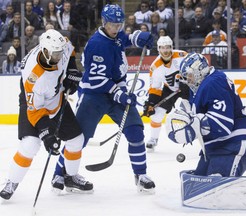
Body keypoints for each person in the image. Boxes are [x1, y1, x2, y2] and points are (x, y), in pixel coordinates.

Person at [52, 4, 156, 194]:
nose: (116, 29)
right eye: (113, 25)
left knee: (135, 132)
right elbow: (98, 80)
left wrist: (137, 38)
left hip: (115, 92)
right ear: (104, 22)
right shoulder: (96, 45)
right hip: (94, 95)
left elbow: (123, 39)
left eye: (119, 25)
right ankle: (60, 174)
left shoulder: (115, 35)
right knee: (78, 139)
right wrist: (120, 93)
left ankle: (140, 175)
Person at [165, 52, 246, 211]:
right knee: (198, 188)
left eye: (190, 76)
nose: (188, 80)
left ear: (200, 70)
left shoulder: (213, 82)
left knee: (215, 189)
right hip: (218, 147)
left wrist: (193, 126)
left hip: (234, 143)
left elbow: (222, 124)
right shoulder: (204, 85)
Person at [0, 29, 93, 200]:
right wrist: (47, 135)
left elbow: (69, 48)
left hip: (55, 100)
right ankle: (11, 181)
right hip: (34, 104)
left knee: (76, 140)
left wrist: (71, 70)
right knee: (30, 144)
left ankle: (70, 177)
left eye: (59, 52)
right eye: (55, 54)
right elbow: (35, 110)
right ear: (44, 51)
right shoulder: (33, 76)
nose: (59, 56)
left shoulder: (59, 46)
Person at [143, 36, 189, 152]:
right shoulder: (155, 67)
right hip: (170, 89)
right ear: (158, 49)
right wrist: (151, 103)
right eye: (162, 48)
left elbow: (196, 68)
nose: (165, 50)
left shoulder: (182, 56)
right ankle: (153, 139)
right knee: (157, 114)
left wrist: (188, 81)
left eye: (167, 47)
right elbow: (155, 88)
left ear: (171, 47)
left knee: (195, 110)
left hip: (189, 87)